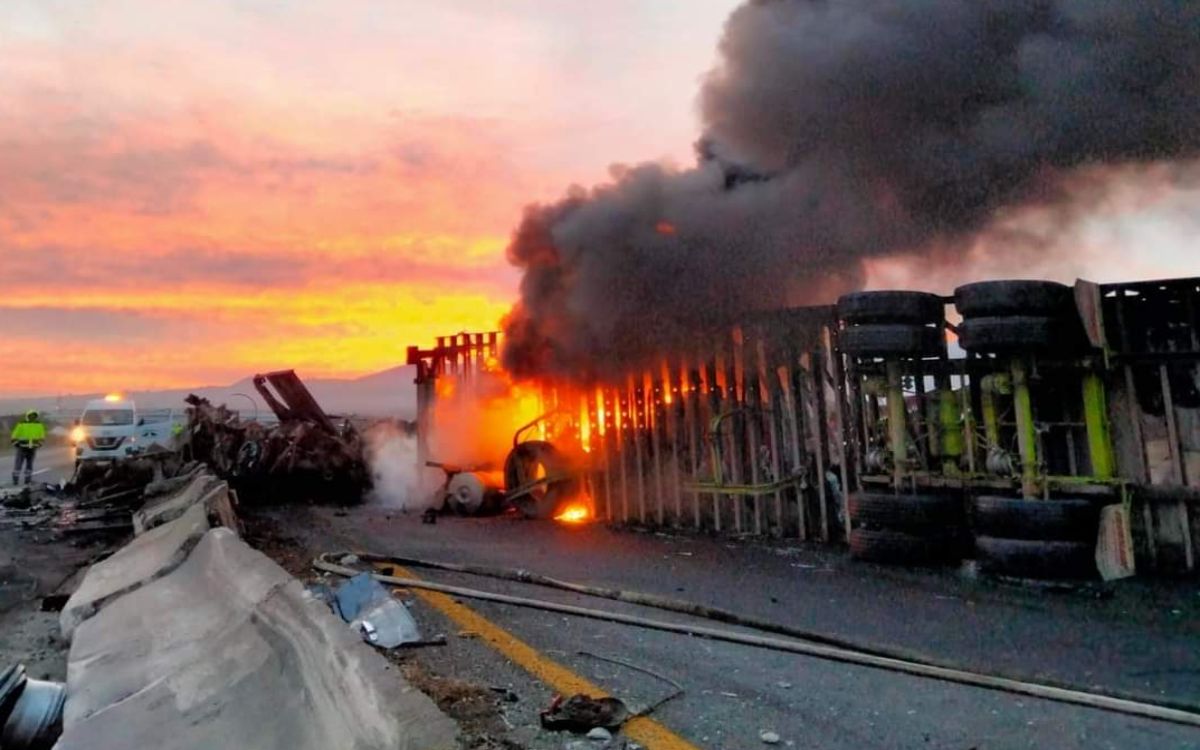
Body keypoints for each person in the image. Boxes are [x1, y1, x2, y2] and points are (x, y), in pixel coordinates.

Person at [10, 410, 46, 485]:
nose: (32, 417)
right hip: (22, 448)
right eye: (31, 416)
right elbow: (14, 435)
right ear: (28, 416)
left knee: (29, 465)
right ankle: (15, 480)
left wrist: (39, 444)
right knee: (18, 465)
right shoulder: (21, 424)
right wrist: (16, 444)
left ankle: (28, 480)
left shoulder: (39, 425)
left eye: (34, 416)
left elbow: (42, 436)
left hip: (32, 449)